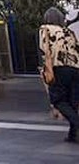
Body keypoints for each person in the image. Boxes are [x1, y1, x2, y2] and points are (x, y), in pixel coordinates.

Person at [39, 7, 79, 143]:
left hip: (59, 68)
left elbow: (45, 50)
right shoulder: (69, 32)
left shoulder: (46, 29)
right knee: (72, 103)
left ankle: (77, 127)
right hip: (75, 70)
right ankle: (73, 135)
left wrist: (45, 70)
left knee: (58, 100)